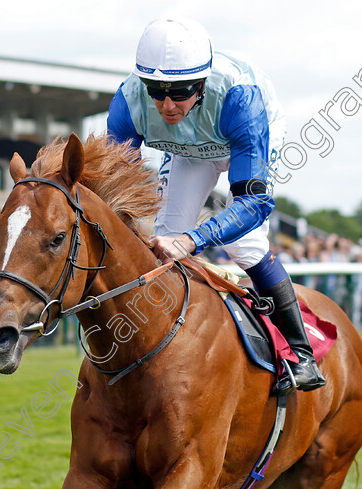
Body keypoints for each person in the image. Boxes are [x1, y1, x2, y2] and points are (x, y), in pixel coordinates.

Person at [107, 18, 323, 393]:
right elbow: (109, 189)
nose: (167, 105)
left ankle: (301, 354)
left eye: (180, 91)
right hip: (190, 149)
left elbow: (254, 202)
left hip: (246, 135)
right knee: (164, 239)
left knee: (245, 244)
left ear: (202, 83)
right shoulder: (128, 102)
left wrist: (193, 241)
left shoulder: (242, 99)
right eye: (156, 91)